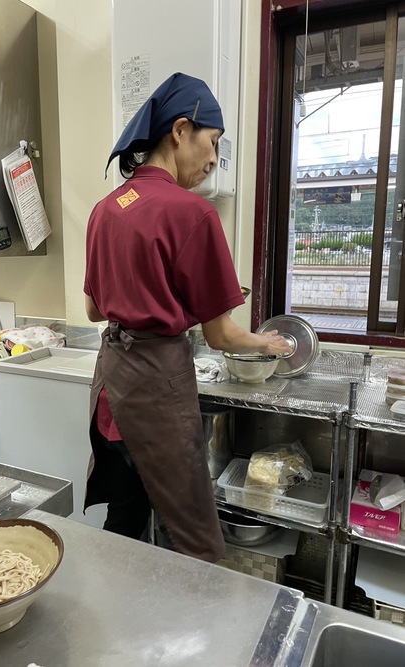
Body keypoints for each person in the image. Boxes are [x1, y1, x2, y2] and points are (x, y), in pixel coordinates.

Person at [83, 72, 291, 563]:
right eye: (213, 141)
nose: (215, 158)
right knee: (193, 536)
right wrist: (270, 344)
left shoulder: (106, 208)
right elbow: (220, 336)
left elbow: (93, 310)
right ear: (180, 131)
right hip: (156, 393)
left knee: (126, 515)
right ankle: (202, 632)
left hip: (111, 394)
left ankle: (118, 619)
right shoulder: (192, 213)